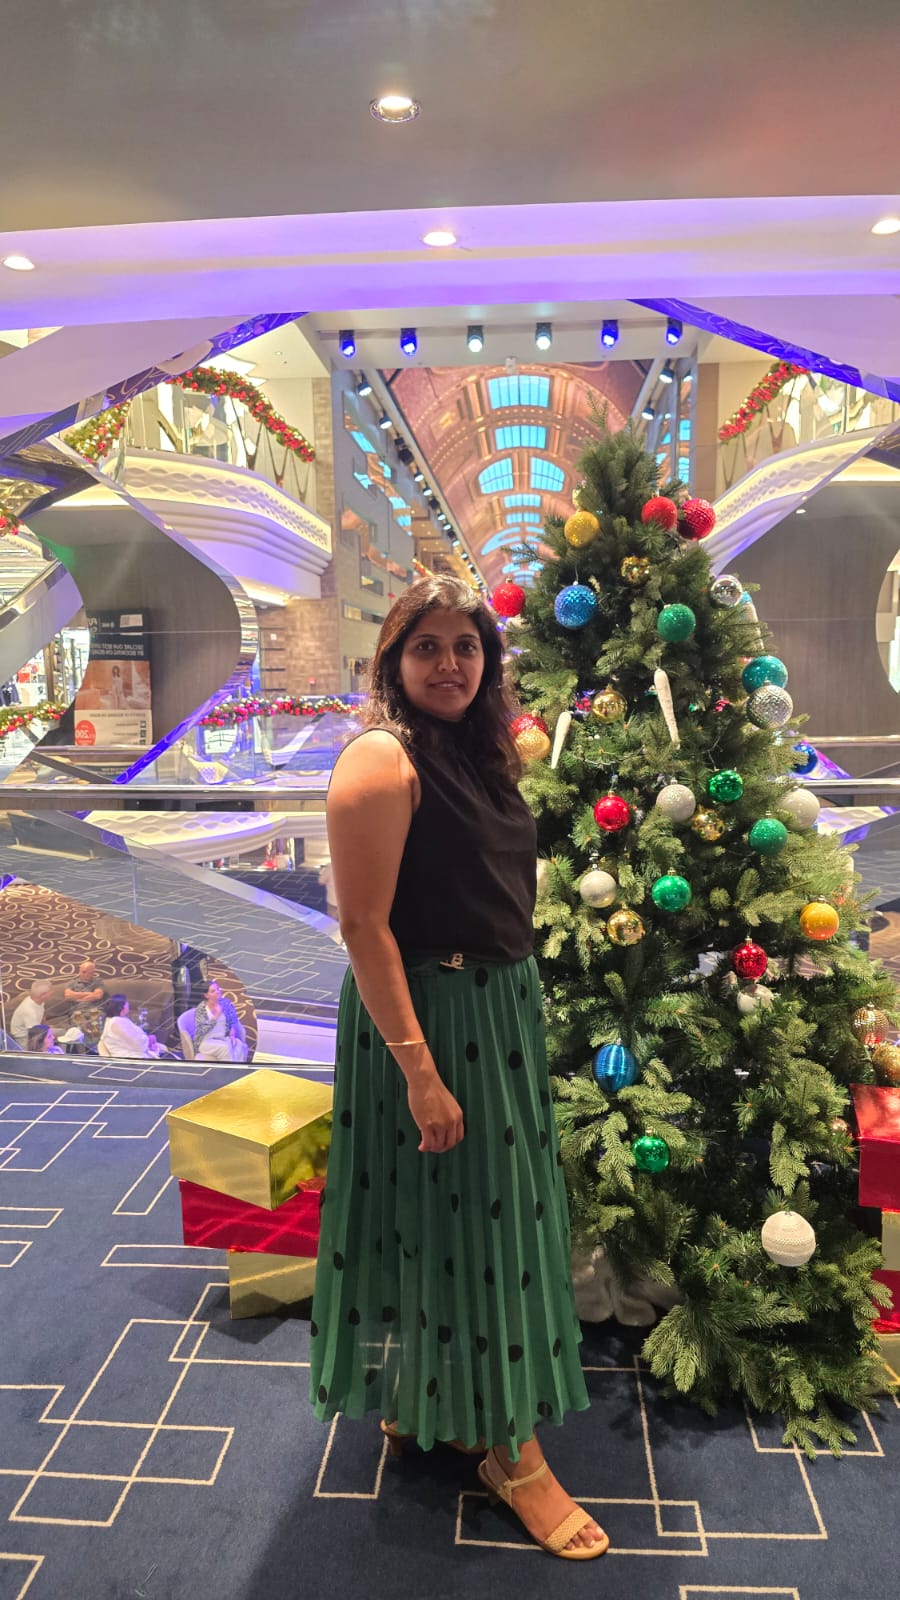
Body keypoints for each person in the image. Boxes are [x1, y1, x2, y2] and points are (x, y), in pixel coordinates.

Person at [308, 576, 607, 1560]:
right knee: (481, 1222)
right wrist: (420, 1072)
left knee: (469, 1213)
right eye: (427, 646)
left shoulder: (477, 750)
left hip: (496, 1008)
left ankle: (431, 1394)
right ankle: (514, 1455)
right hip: (428, 1021)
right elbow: (363, 928)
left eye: (466, 646)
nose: (449, 663)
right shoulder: (380, 759)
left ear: (489, 659)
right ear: (393, 659)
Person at [188, 980, 247, 1062]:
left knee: (239, 1046)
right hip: (206, 1042)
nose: (217, 992)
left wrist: (232, 1034)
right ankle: (229, 1069)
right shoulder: (201, 1009)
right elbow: (201, 1030)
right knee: (225, 1048)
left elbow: (233, 1020)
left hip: (223, 1038)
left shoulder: (226, 1003)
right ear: (206, 995)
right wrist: (215, 1016)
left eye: (218, 989)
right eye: (213, 991)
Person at [98, 995, 161, 1059]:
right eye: (126, 1002)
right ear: (122, 1007)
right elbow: (139, 1046)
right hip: (130, 1059)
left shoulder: (115, 1019)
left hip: (134, 1053)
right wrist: (149, 1040)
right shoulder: (116, 1022)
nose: (128, 1003)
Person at [63, 960, 107, 1050]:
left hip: (95, 1010)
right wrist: (89, 994)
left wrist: (76, 996)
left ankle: (94, 1050)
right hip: (77, 1011)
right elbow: (68, 995)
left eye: (89, 972)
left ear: (92, 973)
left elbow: (97, 995)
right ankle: (88, 1051)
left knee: (95, 1027)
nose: (85, 974)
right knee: (81, 1028)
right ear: (79, 970)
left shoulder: (98, 982)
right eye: (83, 971)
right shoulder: (72, 983)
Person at [9, 980, 53, 1048]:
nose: (52, 992)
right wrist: (49, 1037)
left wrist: (46, 1026)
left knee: (60, 1032)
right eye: (50, 991)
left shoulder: (38, 1000)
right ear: (43, 995)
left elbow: (42, 1015)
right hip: (24, 1038)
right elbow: (34, 1035)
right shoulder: (29, 1011)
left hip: (35, 1030)